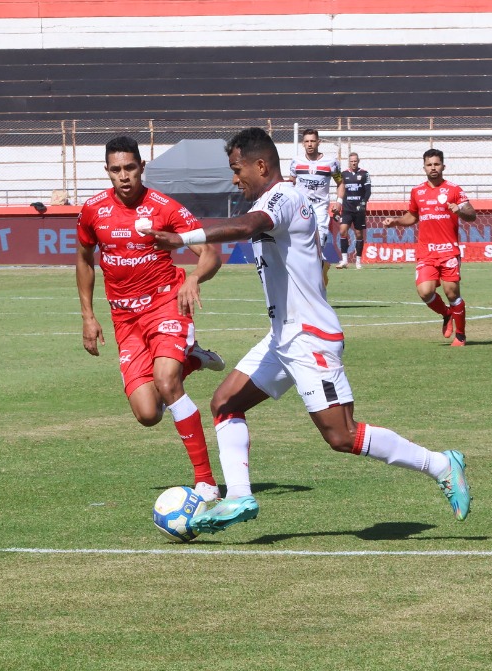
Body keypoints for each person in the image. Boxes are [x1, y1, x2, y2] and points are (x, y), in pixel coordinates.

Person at [145, 128, 470, 534]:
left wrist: (182, 238)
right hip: (284, 336)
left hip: (310, 337)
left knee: (341, 435)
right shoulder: (272, 199)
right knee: (226, 403)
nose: (234, 179)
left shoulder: (284, 197)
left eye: (237, 169)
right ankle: (239, 498)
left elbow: (248, 227)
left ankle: (440, 463)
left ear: (261, 165)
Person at [76, 136, 225, 502]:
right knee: (147, 413)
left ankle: (205, 482)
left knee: (166, 380)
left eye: (130, 168)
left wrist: (192, 277)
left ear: (142, 167)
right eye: (116, 170)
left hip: (165, 305)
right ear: (107, 171)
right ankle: (191, 359)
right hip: (124, 319)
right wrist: (88, 316)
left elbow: (210, 253)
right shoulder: (93, 211)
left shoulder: (165, 208)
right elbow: (83, 259)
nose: (124, 176)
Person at [385, 149, 478, 347]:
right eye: (429, 164)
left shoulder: (454, 189)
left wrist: (460, 210)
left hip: (448, 251)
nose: (433, 168)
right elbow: (412, 216)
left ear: (443, 166)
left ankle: (460, 336)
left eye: (436, 164)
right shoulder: (417, 191)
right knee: (425, 292)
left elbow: (472, 214)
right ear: (424, 167)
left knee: (452, 293)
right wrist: (396, 221)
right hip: (426, 252)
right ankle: (446, 314)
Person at [286, 128, 342, 286]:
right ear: (303, 144)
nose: (310, 144)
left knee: (319, 243)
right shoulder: (296, 162)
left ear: (319, 142)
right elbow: (291, 181)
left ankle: (317, 273)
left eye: (312, 141)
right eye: (307, 141)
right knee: (301, 247)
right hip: (300, 210)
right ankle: (318, 269)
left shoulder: (331, 163)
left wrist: (339, 201)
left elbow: (340, 182)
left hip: (320, 209)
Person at [336, 152, 372, 269]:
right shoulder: (344, 174)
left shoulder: (364, 174)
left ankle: (358, 261)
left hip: (359, 209)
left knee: (359, 234)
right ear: (349, 162)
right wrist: (338, 204)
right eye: (351, 161)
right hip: (347, 208)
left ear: (358, 161)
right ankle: (344, 260)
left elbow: (368, 191)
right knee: (342, 231)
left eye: (355, 161)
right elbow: (340, 190)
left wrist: (363, 203)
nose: (353, 163)